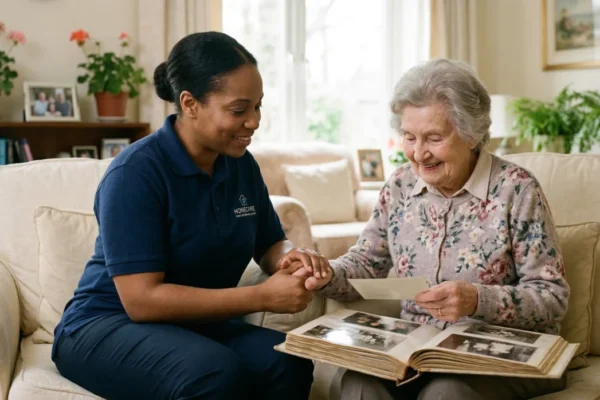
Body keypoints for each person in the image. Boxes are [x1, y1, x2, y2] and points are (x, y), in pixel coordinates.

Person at [52, 31, 328, 400]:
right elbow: (141, 300)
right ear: (190, 103)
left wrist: (289, 258)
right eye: (239, 109)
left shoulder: (241, 165)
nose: (254, 121)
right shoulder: (136, 173)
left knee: (287, 360)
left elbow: (268, 242)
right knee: (214, 373)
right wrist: (261, 297)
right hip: (104, 325)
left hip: (190, 325)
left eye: (258, 106)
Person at [284, 59, 570, 400]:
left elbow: (552, 298)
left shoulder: (517, 189)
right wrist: (325, 272)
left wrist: (477, 299)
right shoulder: (401, 185)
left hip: (505, 354)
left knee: (445, 393)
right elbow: (365, 265)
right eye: (409, 137)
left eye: (434, 138)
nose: (419, 154)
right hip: (419, 350)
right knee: (358, 382)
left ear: (471, 133)